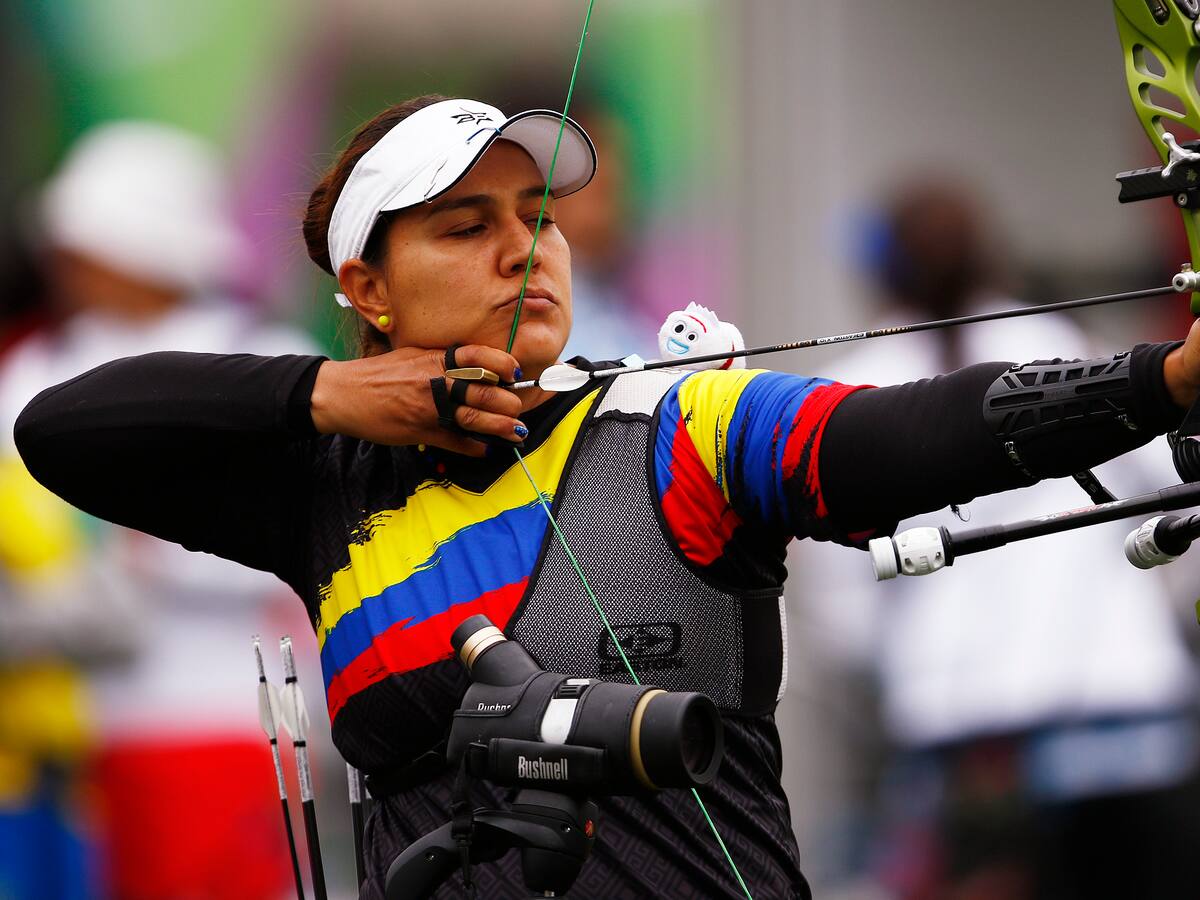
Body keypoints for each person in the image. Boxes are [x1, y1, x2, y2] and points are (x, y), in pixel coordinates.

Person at [12, 94, 1200, 899]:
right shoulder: (323, 494)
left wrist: (1163, 380)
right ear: (368, 286)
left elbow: (905, 434)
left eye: (540, 220)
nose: (526, 251)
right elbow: (64, 430)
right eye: (466, 226)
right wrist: (326, 395)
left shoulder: (679, 425)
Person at [787, 178, 1200, 900]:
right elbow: (1178, 483)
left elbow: (839, 606)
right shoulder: (1063, 344)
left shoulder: (852, 391)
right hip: (1120, 716)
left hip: (967, 736)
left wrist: (902, 669)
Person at [0, 120, 318, 899]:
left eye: (89, 243)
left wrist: (140, 556)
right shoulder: (33, 366)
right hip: (67, 734)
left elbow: (297, 529)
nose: (67, 265)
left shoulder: (263, 358)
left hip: (222, 717)